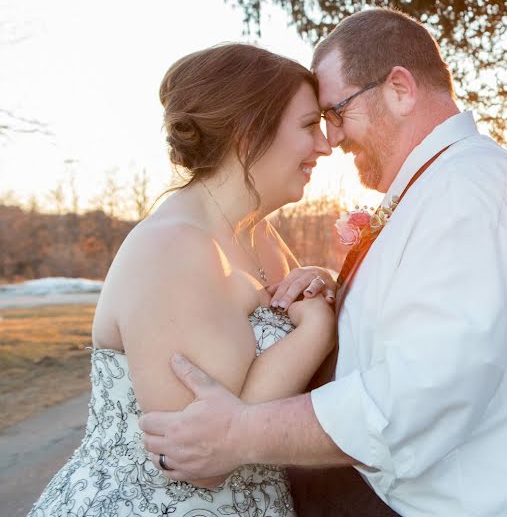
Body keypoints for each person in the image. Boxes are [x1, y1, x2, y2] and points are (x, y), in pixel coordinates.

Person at [140, 9, 507, 516]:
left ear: (399, 89)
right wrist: (335, 290)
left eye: (336, 111)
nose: (331, 139)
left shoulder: (466, 193)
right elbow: (419, 321)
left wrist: (239, 433)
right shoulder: (440, 184)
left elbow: (423, 392)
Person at [28, 43, 339, 517]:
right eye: (308, 125)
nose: (325, 144)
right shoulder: (172, 248)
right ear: (247, 131)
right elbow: (198, 457)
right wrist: (317, 330)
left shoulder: (260, 234)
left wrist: (321, 281)